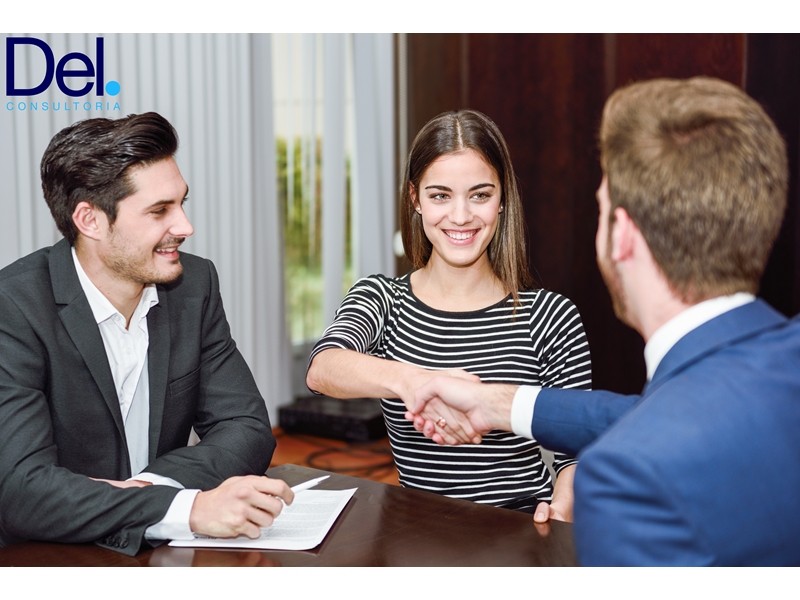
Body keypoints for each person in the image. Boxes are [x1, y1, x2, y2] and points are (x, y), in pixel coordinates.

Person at [407, 77, 800, 566]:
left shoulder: (626, 476)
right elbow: (668, 414)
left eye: (601, 208)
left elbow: (667, 425)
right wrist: (499, 404)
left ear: (622, 237)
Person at [0, 112, 293, 556]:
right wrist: (186, 509)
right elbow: (22, 491)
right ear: (90, 220)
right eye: (159, 211)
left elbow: (246, 427)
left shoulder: (194, 285)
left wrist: (152, 491)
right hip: (45, 556)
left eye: (182, 203)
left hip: (156, 554)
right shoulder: (14, 306)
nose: (185, 227)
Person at [306, 109, 591, 517]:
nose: (460, 216)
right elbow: (323, 367)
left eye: (480, 195)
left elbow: (576, 451)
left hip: (520, 526)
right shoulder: (383, 299)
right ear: (415, 199)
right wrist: (419, 383)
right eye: (440, 195)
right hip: (417, 529)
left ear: (502, 199)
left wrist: (562, 509)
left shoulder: (550, 315)